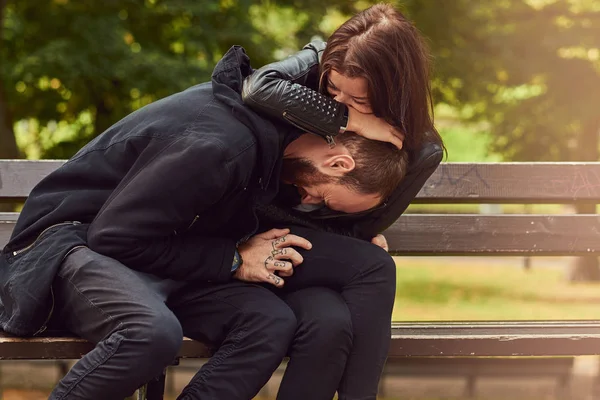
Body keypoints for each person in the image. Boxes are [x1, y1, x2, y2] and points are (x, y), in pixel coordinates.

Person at [0, 41, 408, 400]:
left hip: (155, 255)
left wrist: (357, 242)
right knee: (152, 334)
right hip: (70, 244)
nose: (309, 202)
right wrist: (234, 259)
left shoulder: (274, 145)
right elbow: (114, 236)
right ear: (337, 160)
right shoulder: (221, 147)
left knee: (268, 323)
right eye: (321, 198)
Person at [242, 3, 445, 399]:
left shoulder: (420, 151)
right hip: (248, 237)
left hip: (310, 265)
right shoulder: (314, 66)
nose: (340, 102)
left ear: (393, 92)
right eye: (333, 90)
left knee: (331, 319)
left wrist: (352, 250)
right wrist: (353, 120)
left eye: (360, 100)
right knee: (366, 277)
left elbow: (362, 227)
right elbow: (257, 88)